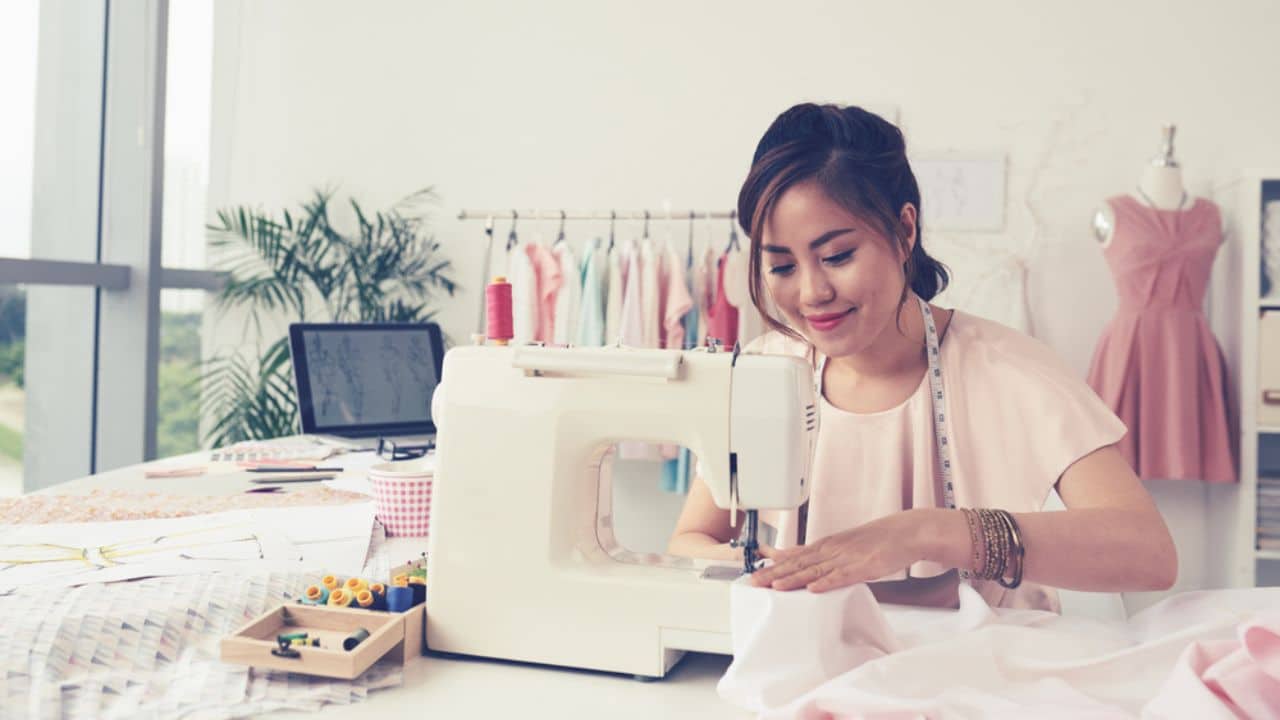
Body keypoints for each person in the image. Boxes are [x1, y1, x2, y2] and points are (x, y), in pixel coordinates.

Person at [668, 103, 1177, 611]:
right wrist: (760, 568)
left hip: (984, 674)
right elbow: (691, 540)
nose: (811, 292)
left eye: (838, 256)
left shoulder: (1007, 370)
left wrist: (929, 532)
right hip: (816, 670)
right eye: (781, 266)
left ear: (905, 230)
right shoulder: (767, 372)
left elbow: (1150, 554)